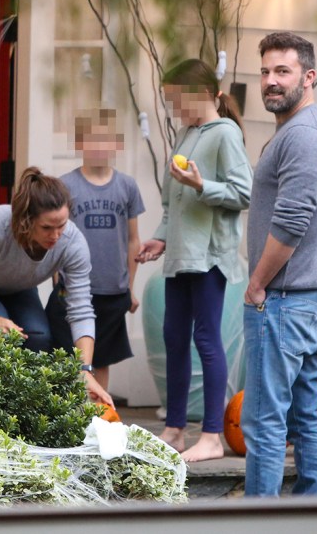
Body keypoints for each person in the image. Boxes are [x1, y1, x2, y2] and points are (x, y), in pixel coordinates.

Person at [136, 59, 253, 462]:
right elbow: (172, 205)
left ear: (204, 95)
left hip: (209, 258)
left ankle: (213, 436)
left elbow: (243, 193)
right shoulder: (185, 134)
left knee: (206, 339)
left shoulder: (225, 135)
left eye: (177, 100)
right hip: (180, 258)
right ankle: (175, 430)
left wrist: (203, 184)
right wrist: (159, 239)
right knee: (173, 339)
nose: (174, 109)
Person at [242, 31, 317, 496]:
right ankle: (309, 517)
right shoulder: (308, 127)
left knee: (263, 422)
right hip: (307, 302)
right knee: (306, 416)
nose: (270, 82)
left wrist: (257, 284)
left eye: (282, 71)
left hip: (282, 301)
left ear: (308, 76)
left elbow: (291, 222)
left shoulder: (301, 136)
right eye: (264, 71)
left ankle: (261, 522)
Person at [0, 166, 113, 407]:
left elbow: (81, 309)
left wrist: (85, 370)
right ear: (25, 221)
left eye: (62, 225)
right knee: (1, 336)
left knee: (38, 337)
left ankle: (26, 411)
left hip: (15, 284)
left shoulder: (72, 243)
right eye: (47, 228)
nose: (56, 236)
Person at [46, 108, 145, 392]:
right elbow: (57, 236)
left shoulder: (127, 186)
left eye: (106, 140)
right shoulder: (66, 185)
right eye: (91, 140)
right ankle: (66, 414)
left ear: (117, 144)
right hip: (75, 288)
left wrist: (130, 287)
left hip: (112, 290)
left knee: (101, 359)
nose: (99, 148)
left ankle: (98, 419)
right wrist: (56, 279)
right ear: (79, 144)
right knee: (69, 357)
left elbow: (132, 240)